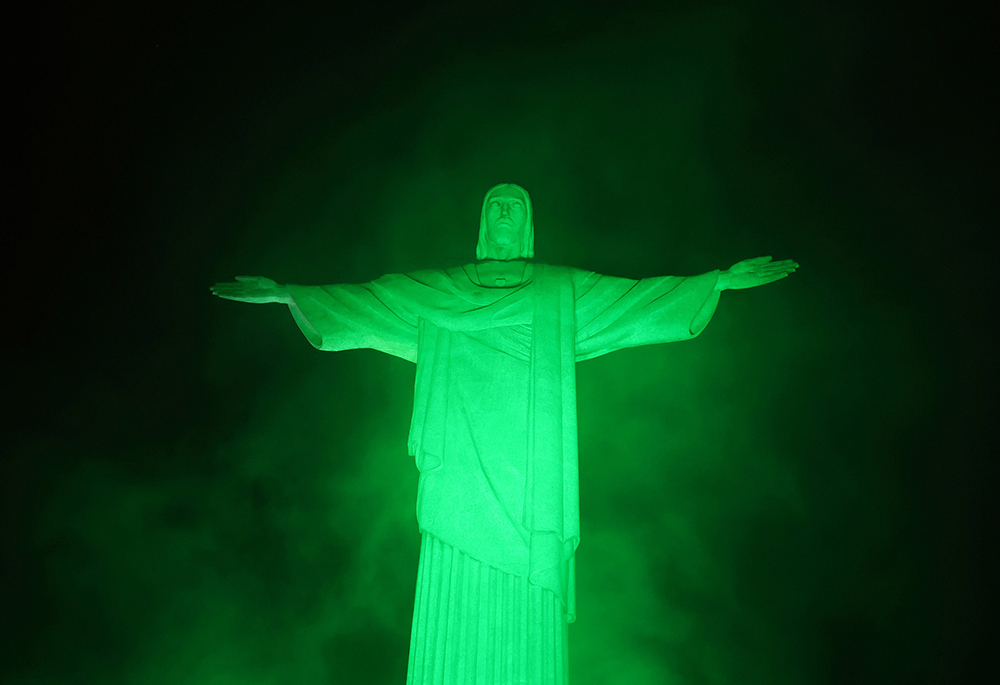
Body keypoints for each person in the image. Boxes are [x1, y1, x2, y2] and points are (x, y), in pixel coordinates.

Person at [211, 183, 798, 684]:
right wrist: (292, 293)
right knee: (452, 589)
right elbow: (369, 302)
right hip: (460, 475)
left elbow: (635, 299)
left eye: (515, 207)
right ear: (481, 224)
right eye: (495, 206)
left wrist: (715, 282)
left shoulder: (558, 292)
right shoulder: (439, 292)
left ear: (529, 228)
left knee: (526, 599)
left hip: (529, 481)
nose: (504, 215)